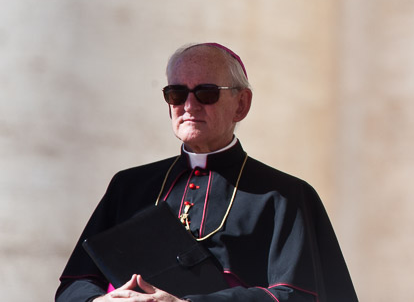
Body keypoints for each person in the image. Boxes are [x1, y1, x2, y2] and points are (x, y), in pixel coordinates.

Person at [56, 43, 358, 302]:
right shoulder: (129, 187)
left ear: (241, 104)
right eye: (176, 93)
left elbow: (297, 295)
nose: (189, 105)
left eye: (206, 93)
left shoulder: (284, 196)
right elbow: (74, 284)